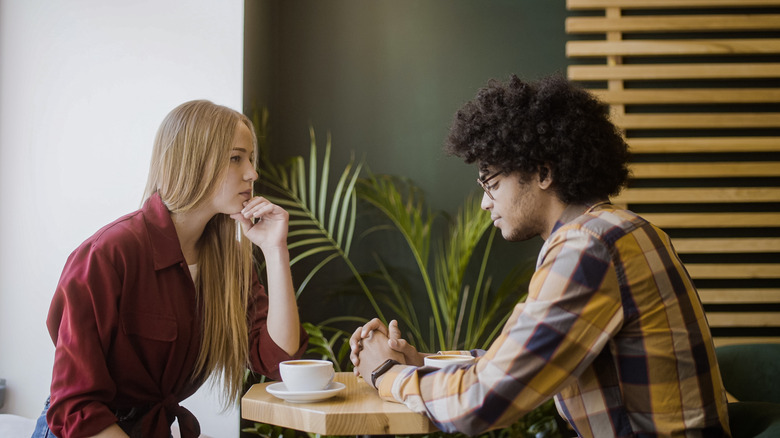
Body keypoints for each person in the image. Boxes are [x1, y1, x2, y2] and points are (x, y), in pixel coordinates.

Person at [350, 75, 731, 437]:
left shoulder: (589, 246)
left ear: (544, 172)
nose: (484, 203)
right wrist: (421, 363)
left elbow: (481, 402)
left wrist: (385, 373)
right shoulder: (623, 229)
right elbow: (523, 358)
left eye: (493, 183)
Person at [33, 100, 308, 438]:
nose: (252, 172)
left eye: (250, 159)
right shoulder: (108, 254)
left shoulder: (229, 264)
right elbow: (76, 407)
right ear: (194, 161)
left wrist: (275, 250)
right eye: (236, 158)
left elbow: (279, 360)